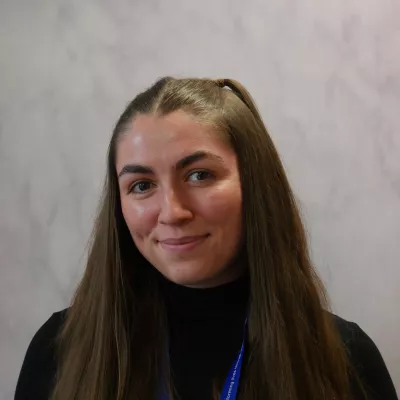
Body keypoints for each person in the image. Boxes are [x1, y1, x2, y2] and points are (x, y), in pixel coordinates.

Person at [15, 77, 398, 400]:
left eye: (199, 175)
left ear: (257, 185)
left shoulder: (347, 360)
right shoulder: (58, 350)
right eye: (142, 185)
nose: (172, 212)